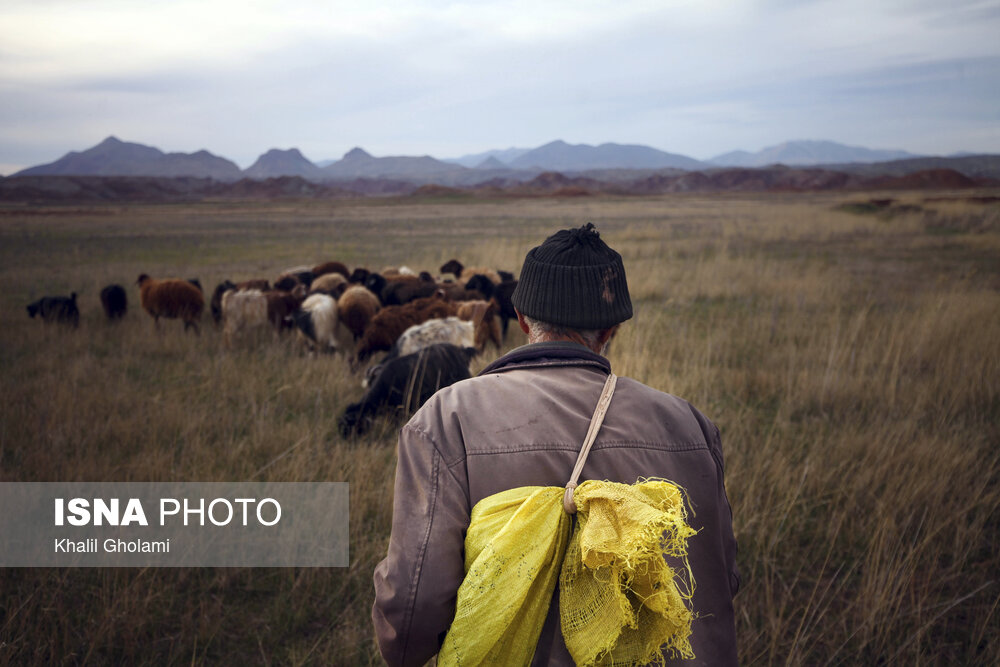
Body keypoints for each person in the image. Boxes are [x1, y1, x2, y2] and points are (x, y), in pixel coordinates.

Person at [372, 223, 740, 666]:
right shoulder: (692, 426)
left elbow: (413, 609)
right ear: (611, 330)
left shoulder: (446, 419)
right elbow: (719, 578)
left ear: (522, 319)